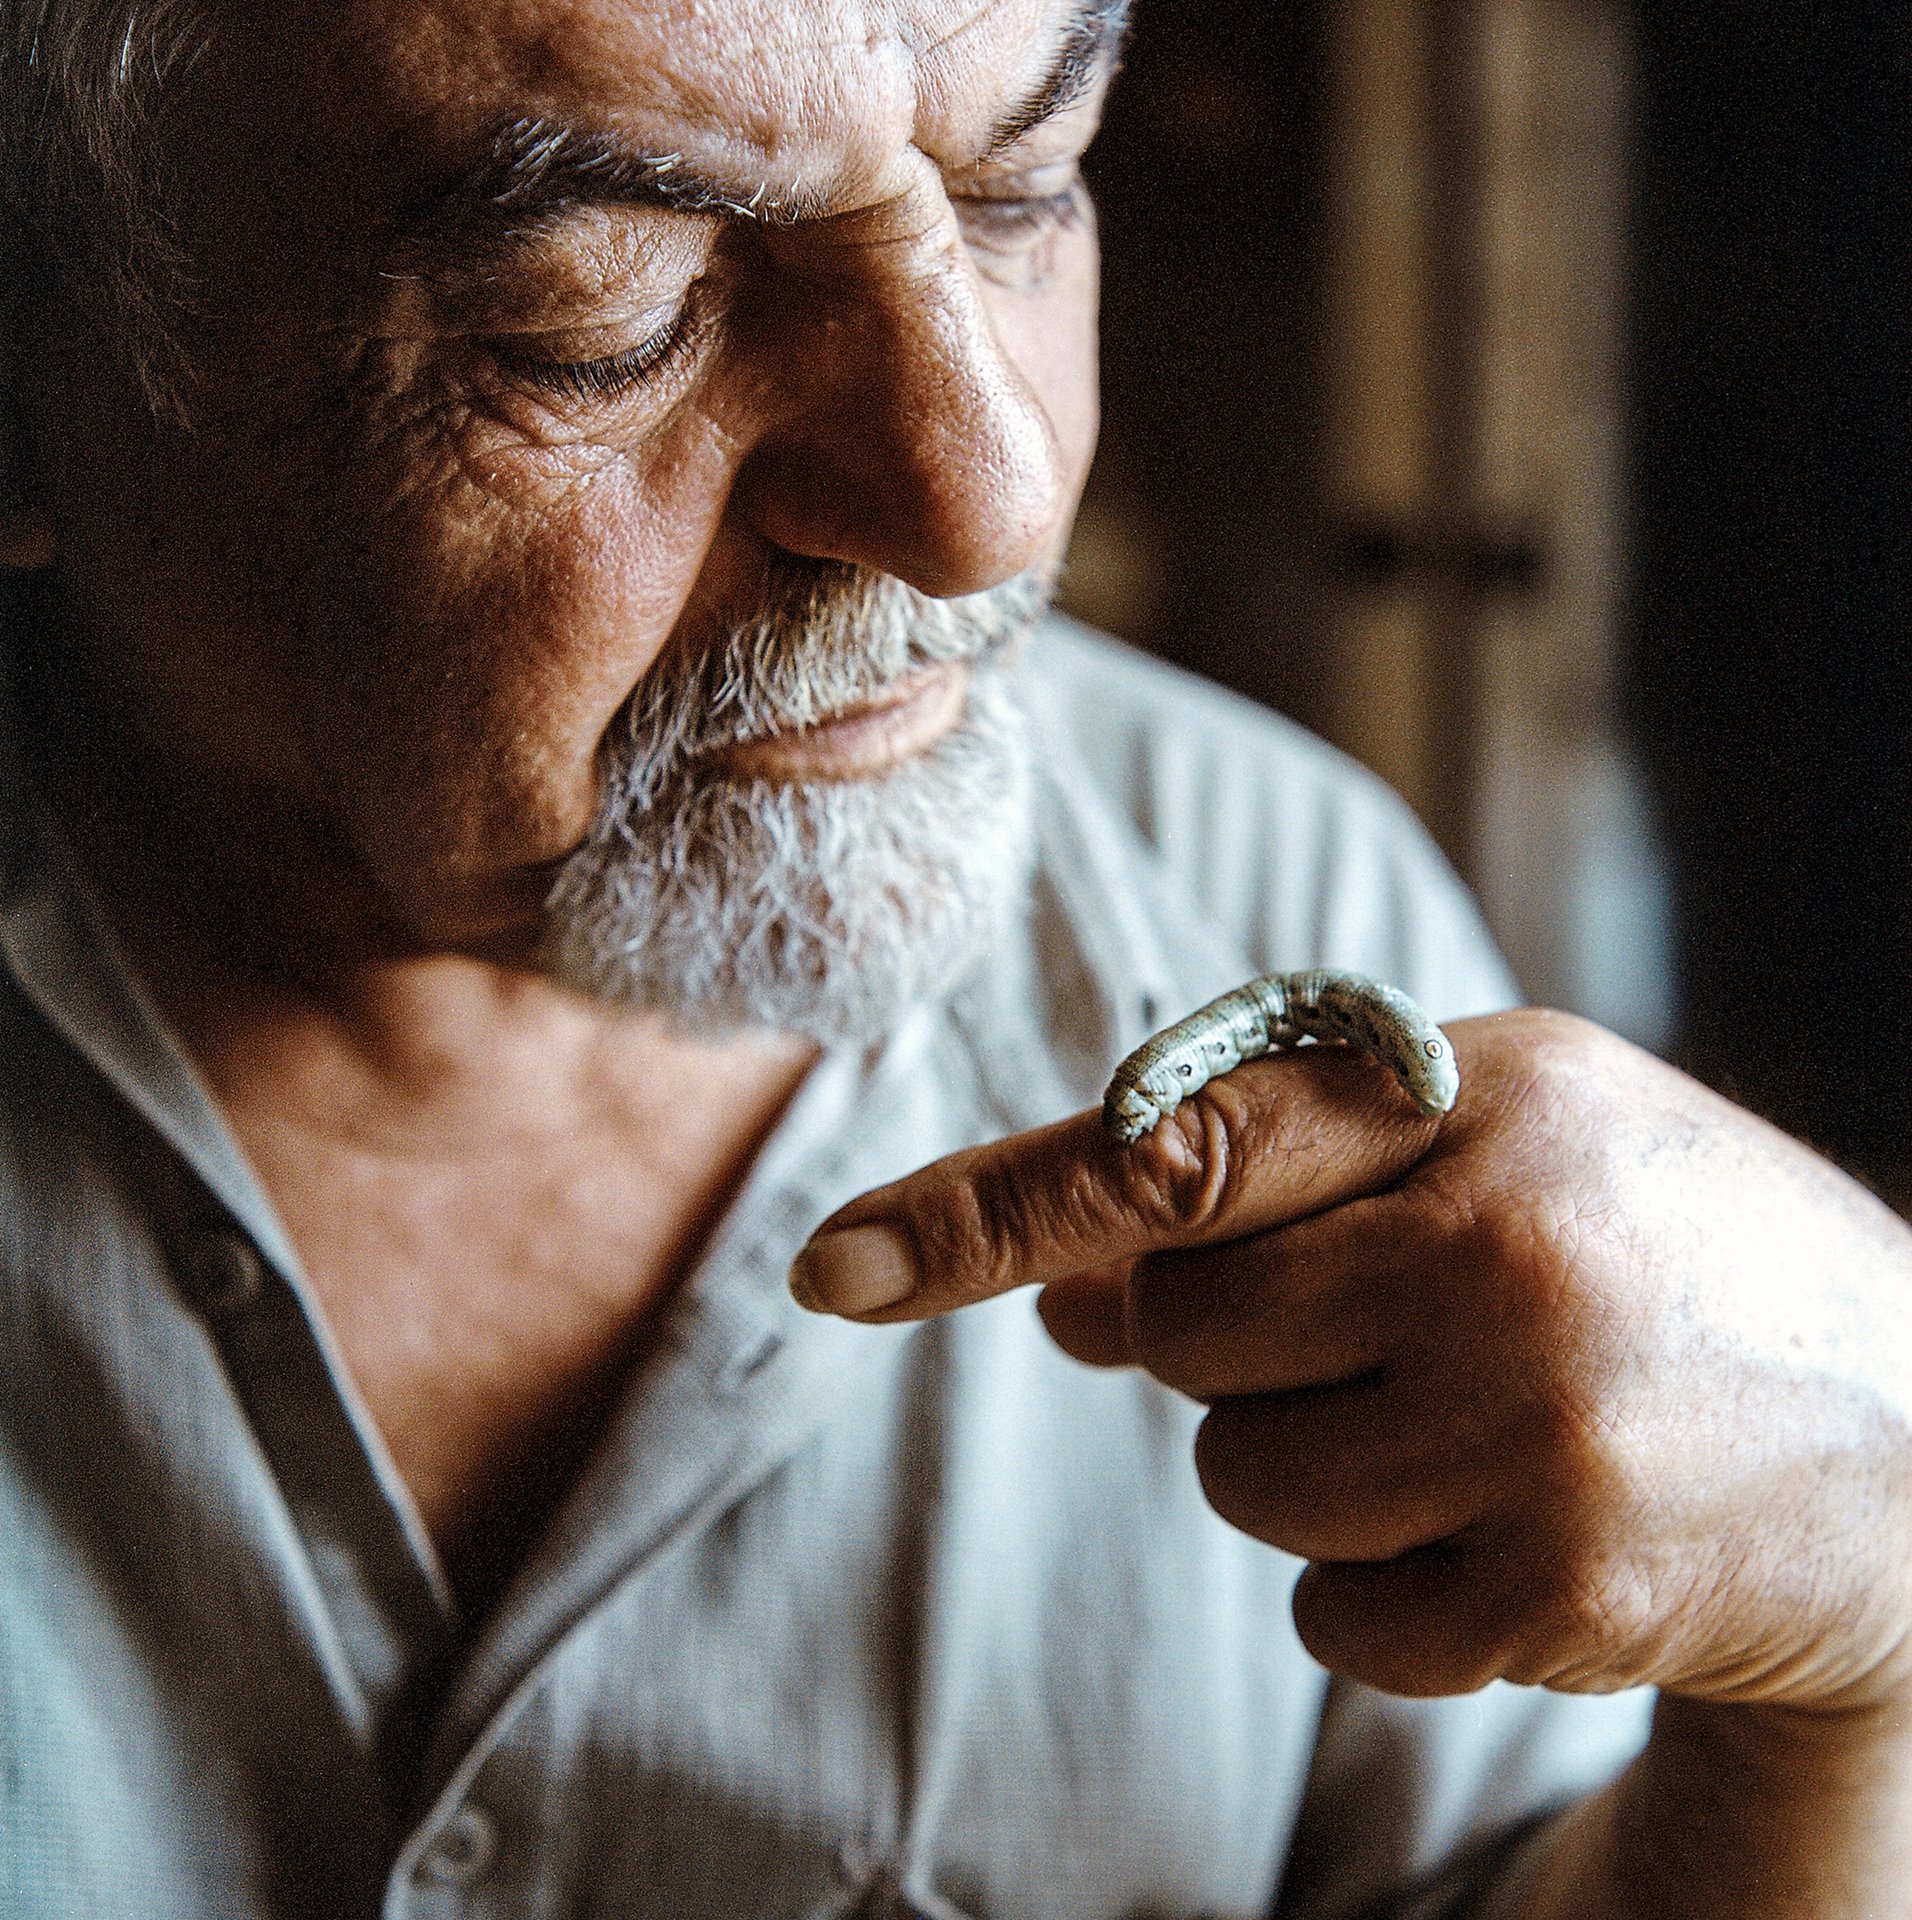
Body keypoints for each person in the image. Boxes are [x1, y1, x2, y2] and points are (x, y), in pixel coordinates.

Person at [2, 1, 1909, 1915]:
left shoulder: (1280, 896)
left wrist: (1855, 1685)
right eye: (612, 321)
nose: (987, 499)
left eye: (1016, 194)